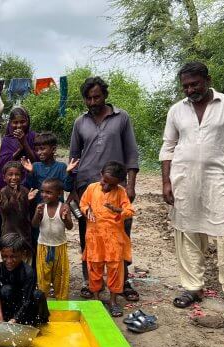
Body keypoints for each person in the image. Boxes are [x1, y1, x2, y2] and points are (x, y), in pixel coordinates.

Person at [160, 61, 224, 319]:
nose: (190, 90)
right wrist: (166, 182)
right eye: (185, 86)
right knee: (188, 233)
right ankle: (192, 288)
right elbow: (168, 146)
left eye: (195, 84)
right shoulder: (176, 110)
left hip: (218, 179)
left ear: (208, 80)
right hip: (183, 179)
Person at [69, 76, 140, 301]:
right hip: (87, 187)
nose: (92, 102)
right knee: (89, 236)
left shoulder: (121, 118)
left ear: (105, 95)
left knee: (119, 234)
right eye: (88, 98)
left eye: (96, 97)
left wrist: (130, 185)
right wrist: (73, 189)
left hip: (116, 187)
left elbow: (131, 153)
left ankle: (122, 282)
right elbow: (73, 158)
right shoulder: (80, 123)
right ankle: (91, 282)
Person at [79, 161, 135, 317]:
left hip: (113, 239)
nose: (106, 186)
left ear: (118, 183)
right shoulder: (91, 188)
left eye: (111, 184)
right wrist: (87, 210)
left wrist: (118, 210)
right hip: (94, 238)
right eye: (104, 181)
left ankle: (113, 301)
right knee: (94, 268)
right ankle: (96, 299)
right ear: (101, 175)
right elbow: (83, 204)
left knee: (115, 269)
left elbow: (130, 211)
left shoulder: (121, 192)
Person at [0, 107, 38, 236]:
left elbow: (36, 162)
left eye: (22, 121)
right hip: (10, 186)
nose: (19, 126)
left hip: (28, 186)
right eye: (15, 122)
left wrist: (24, 142)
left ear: (28, 121)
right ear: (10, 123)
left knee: (27, 221)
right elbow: (3, 165)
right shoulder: (7, 140)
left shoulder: (34, 137)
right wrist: (19, 149)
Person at [0, 233, 50, 325]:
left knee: (38, 295)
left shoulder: (28, 272)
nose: (8, 261)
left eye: (13, 257)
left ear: (23, 255)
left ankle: (38, 322)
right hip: (10, 306)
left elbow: (27, 300)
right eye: (4, 256)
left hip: (26, 308)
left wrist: (16, 319)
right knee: (5, 290)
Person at [32, 178, 74, 300]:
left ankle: (61, 301)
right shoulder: (41, 207)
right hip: (43, 246)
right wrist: (37, 214)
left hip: (59, 247)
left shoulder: (63, 207)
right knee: (43, 277)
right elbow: (34, 224)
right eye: (42, 191)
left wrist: (65, 218)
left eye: (49, 192)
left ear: (59, 194)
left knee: (60, 277)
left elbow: (70, 227)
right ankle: (42, 302)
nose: (44, 195)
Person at [21, 132, 79, 205]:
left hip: (57, 207)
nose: (39, 152)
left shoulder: (61, 167)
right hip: (40, 206)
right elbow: (32, 185)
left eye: (42, 149)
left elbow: (67, 188)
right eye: (37, 150)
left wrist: (69, 173)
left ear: (53, 149)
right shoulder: (35, 166)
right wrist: (30, 172)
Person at [0, 161, 36, 258]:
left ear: (22, 177)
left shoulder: (25, 191)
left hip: (24, 234)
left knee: (25, 258)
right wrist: (13, 198)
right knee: (11, 258)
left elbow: (26, 212)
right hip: (9, 233)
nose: (14, 177)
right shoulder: (3, 192)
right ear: (4, 177)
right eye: (10, 174)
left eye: (17, 174)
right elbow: (5, 209)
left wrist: (27, 200)